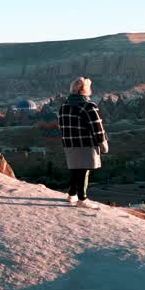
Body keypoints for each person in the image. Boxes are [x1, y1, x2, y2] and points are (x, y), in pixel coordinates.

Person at [58, 76, 108, 208]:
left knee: (75, 169)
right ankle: (82, 199)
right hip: (85, 144)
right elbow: (97, 127)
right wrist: (103, 144)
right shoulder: (88, 106)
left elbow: (62, 126)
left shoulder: (64, 106)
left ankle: (71, 194)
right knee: (83, 171)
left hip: (69, 144)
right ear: (84, 90)